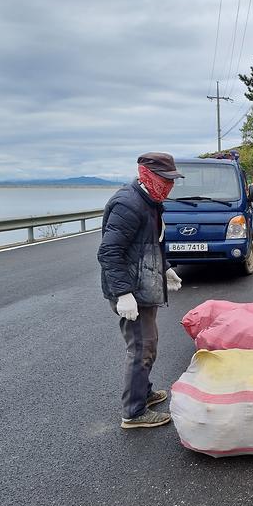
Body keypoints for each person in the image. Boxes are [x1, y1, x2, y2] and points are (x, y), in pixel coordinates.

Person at [97, 152, 184, 429]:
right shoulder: (128, 204)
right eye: (164, 179)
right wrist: (123, 294)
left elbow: (150, 243)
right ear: (147, 175)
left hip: (143, 286)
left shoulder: (151, 201)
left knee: (149, 342)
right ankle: (133, 413)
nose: (169, 185)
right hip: (130, 291)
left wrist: (165, 268)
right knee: (141, 347)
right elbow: (109, 252)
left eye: (171, 180)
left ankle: (143, 394)